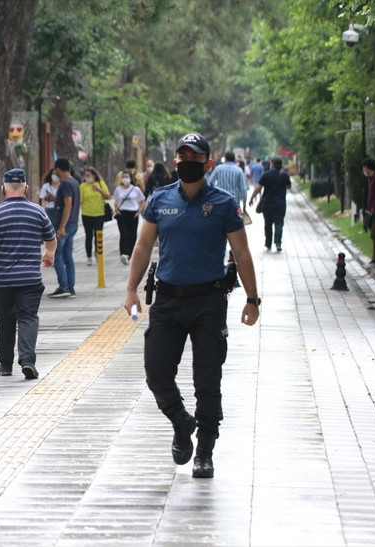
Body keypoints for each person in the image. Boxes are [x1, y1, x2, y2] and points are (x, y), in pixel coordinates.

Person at [123, 132, 260, 480]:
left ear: (207, 164)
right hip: (167, 300)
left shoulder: (226, 204)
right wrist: (131, 290)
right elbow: (142, 246)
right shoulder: (159, 199)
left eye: (195, 158)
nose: (187, 162)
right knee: (156, 373)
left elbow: (242, 253)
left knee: (207, 381)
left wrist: (252, 299)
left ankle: (205, 451)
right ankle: (182, 422)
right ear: (174, 162)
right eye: (182, 157)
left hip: (208, 302)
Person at [0, 168, 57, 379]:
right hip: (30, 278)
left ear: (3, 189)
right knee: (28, 318)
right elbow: (51, 238)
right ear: (26, 188)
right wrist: (49, 254)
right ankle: (27, 360)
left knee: (4, 322)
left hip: (1, 280)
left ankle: (5, 365)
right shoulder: (38, 211)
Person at [48, 158, 81, 299]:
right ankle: (70, 287)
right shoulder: (74, 182)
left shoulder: (66, 183)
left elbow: (68, 205)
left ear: (58, 169)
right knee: (67, 256)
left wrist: (61, 227)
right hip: (73, 223)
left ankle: (64, 286)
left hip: (65, 225)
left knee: (56, 255)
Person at [249, 157, 291, 252]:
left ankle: (268, 243)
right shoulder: (284, 175)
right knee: (279, 223)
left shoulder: (266, 175)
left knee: (268, 224)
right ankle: (278, 243)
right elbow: (288, 186)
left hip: (267, 204)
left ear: (272, 164)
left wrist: (252, 198)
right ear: (281, 164)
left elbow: (258, 188)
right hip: (280, 203)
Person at [79, 166, 110, 266]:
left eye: (89, 175)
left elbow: (107, 196)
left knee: (98, 235)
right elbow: (80, 200)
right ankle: (89, 256)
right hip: (86, 214)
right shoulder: (83, 186)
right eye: (86, 175)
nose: (87, 177)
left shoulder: (100, 184)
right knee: (88, 236)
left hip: (99, 214)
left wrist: (99, 190)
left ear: (94, 175)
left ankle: (98, 254)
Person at [112, 172, 146, 264]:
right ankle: (124, 254)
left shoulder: (135, 189)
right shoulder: (118, 189)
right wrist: (117, 210)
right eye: (123, 177)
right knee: (124, 234)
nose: (125, 179)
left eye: (126, 177)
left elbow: (143, 201)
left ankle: (131, 254)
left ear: (130, 178)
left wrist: (139, 211)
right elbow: (115, 201)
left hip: (133, 213)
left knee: (132, 234)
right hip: (122, 213)